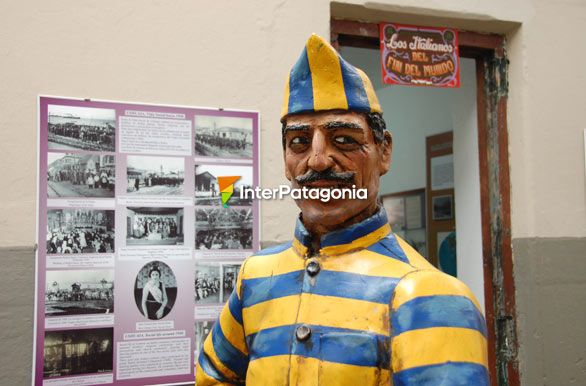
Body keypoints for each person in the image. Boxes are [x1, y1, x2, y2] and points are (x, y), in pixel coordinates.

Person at [196, 34, 489, 385]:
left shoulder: (430, 297)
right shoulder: (256, 278)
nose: (317, 160)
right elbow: (213, 376)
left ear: (384, 152)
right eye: (299, 142)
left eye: (344, 140)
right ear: (287, 162)